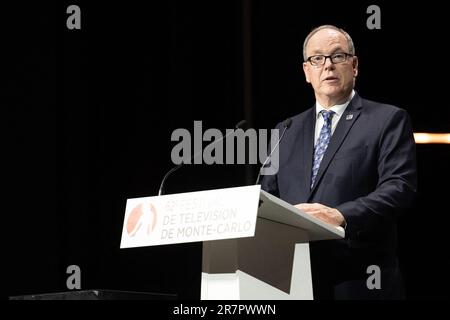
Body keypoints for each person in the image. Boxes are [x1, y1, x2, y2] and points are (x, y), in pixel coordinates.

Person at [260, 25, 417, 299]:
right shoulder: (285, 129)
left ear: (354, 65)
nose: (328, 66)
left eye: (338, 56)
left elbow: (399, 188)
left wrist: (340, 215)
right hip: (293, 280)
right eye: (317, 59)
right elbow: (265, 196)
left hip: (360, 280)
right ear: (307, 72)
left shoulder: (387, 119)